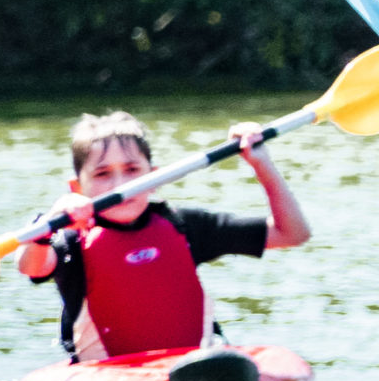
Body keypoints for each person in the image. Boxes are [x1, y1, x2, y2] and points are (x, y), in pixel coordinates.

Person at [16, 110, 311, 363]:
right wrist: (48, 227)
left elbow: (292, 234)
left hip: (195, 368)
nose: (120, 184)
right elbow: (31, 266)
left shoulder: (185, 225)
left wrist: (262, 165)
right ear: (77, 187)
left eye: (132, 170)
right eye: (102, 174)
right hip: (108, 377)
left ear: (154, 177)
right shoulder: (71, 241)